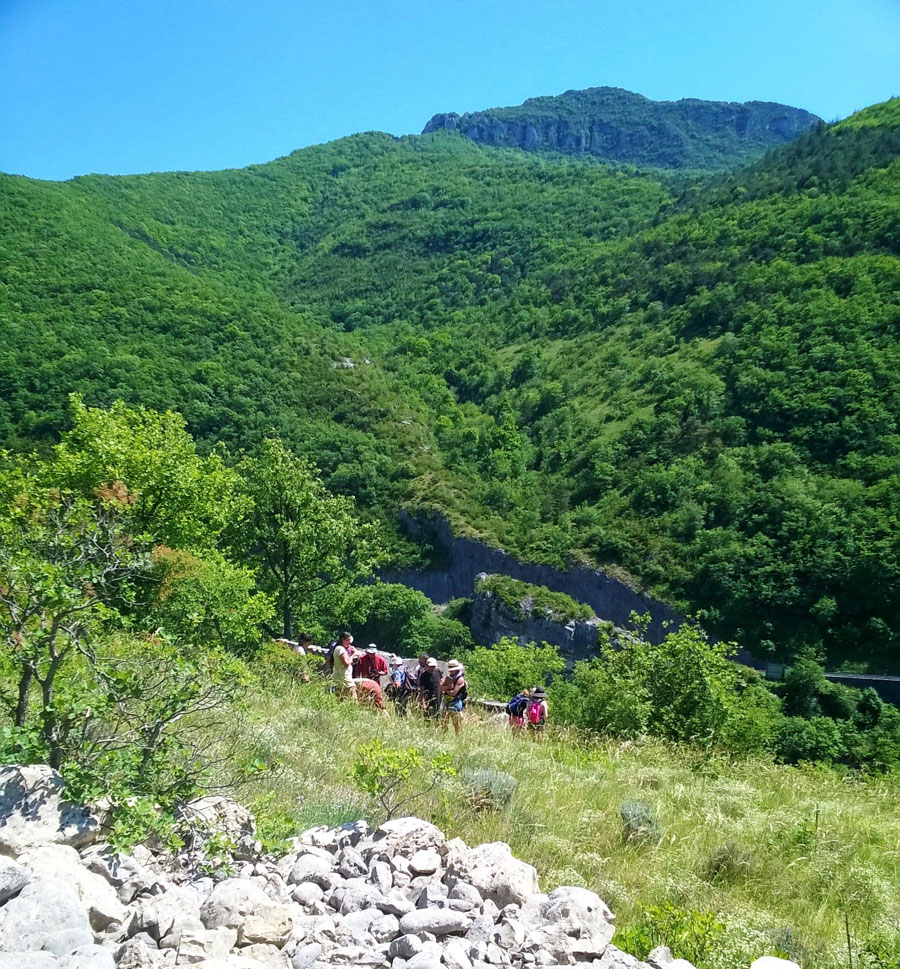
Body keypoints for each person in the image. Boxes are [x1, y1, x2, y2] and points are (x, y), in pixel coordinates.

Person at [440, 659, 468, 734]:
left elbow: (453, 693)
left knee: (456, 723)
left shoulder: (460, 679)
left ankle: (458, 737)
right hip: (446, 701)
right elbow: (441, 688)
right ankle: (444, 735)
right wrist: (447, 687)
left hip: (455, 702)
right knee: (443, 720)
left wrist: (445, 689)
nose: (451, 671)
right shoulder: (449, 677)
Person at [331, 631, 357, 701]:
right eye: (348, 640)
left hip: (339, 677)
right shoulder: (341, 649)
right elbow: (346, 664)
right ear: (343, 639)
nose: (350, 642)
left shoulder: (337, 648)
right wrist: (352, 654)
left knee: (340, 699)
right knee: (353, 699)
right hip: (345, 678)